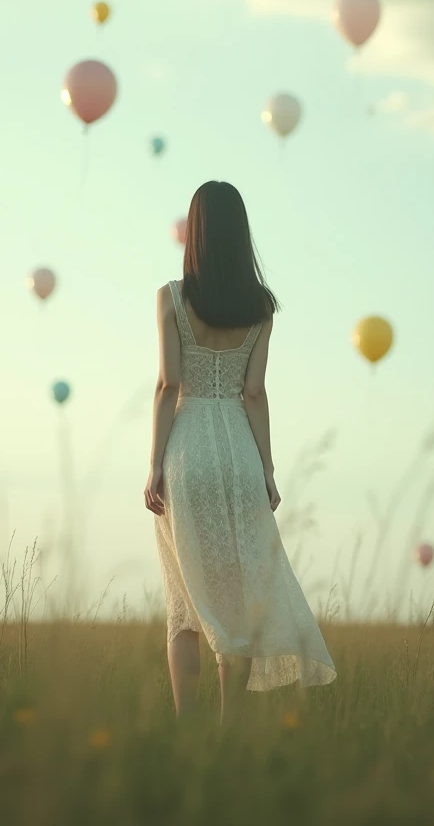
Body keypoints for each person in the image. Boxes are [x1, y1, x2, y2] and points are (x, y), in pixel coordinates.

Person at [144, 181, 336, 722]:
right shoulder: (261, 307)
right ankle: (228, 732)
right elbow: (254, 393)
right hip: (238, 453)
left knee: (184, 605)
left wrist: (156, 463)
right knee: (235, 601)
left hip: (186, 451)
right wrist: (268, 470)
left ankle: (187, 728)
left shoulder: (171, 298)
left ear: (196, 231)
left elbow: (167, 385)